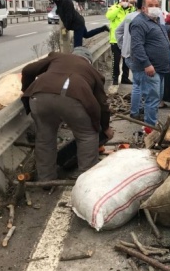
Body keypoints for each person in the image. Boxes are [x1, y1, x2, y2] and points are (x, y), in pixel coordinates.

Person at [21, 47, 114, 181]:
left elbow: (27, 70)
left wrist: (26, 90)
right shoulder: (92, 72)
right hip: (74, 99)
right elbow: (102, 104)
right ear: (89, 61)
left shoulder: (57, 57)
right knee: (87, 136)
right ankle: (86, 181)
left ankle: (46, 180)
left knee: (45, 139)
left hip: (39, 98)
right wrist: (105, 126)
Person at [129, 0, 170, 127]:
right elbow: (137, 46)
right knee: (152, 100)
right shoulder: (139, 23)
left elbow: (160, 31)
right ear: (143, 8)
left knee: (156, 99)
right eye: (151, 5)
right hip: (150, 69)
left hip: (160, 68)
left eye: (157, 5)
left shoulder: (155, 20)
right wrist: (146, 64)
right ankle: (150, 128)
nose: (155, 7)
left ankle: (151, 123)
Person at [116, 0, 146, 120]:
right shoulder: (143, 19)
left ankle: (138, 107)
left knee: (137, 82)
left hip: (127, 55)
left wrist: (122, 46)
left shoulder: (128, 17)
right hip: (137, 55)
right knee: (138, 84)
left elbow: (118, 31)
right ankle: (135, 112)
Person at [106, 0, 135, 85]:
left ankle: (125, 78)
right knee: (116, 60)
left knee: (127, 59)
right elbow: (109, 16)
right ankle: (115, 78)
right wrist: (119, 7)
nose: (125, 2)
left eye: (127, 1)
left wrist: (132, 7)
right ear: (120, 1)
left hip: (127, 39)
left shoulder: (131, 10)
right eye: (123, 0)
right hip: (115, 40)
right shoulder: (114, 8)